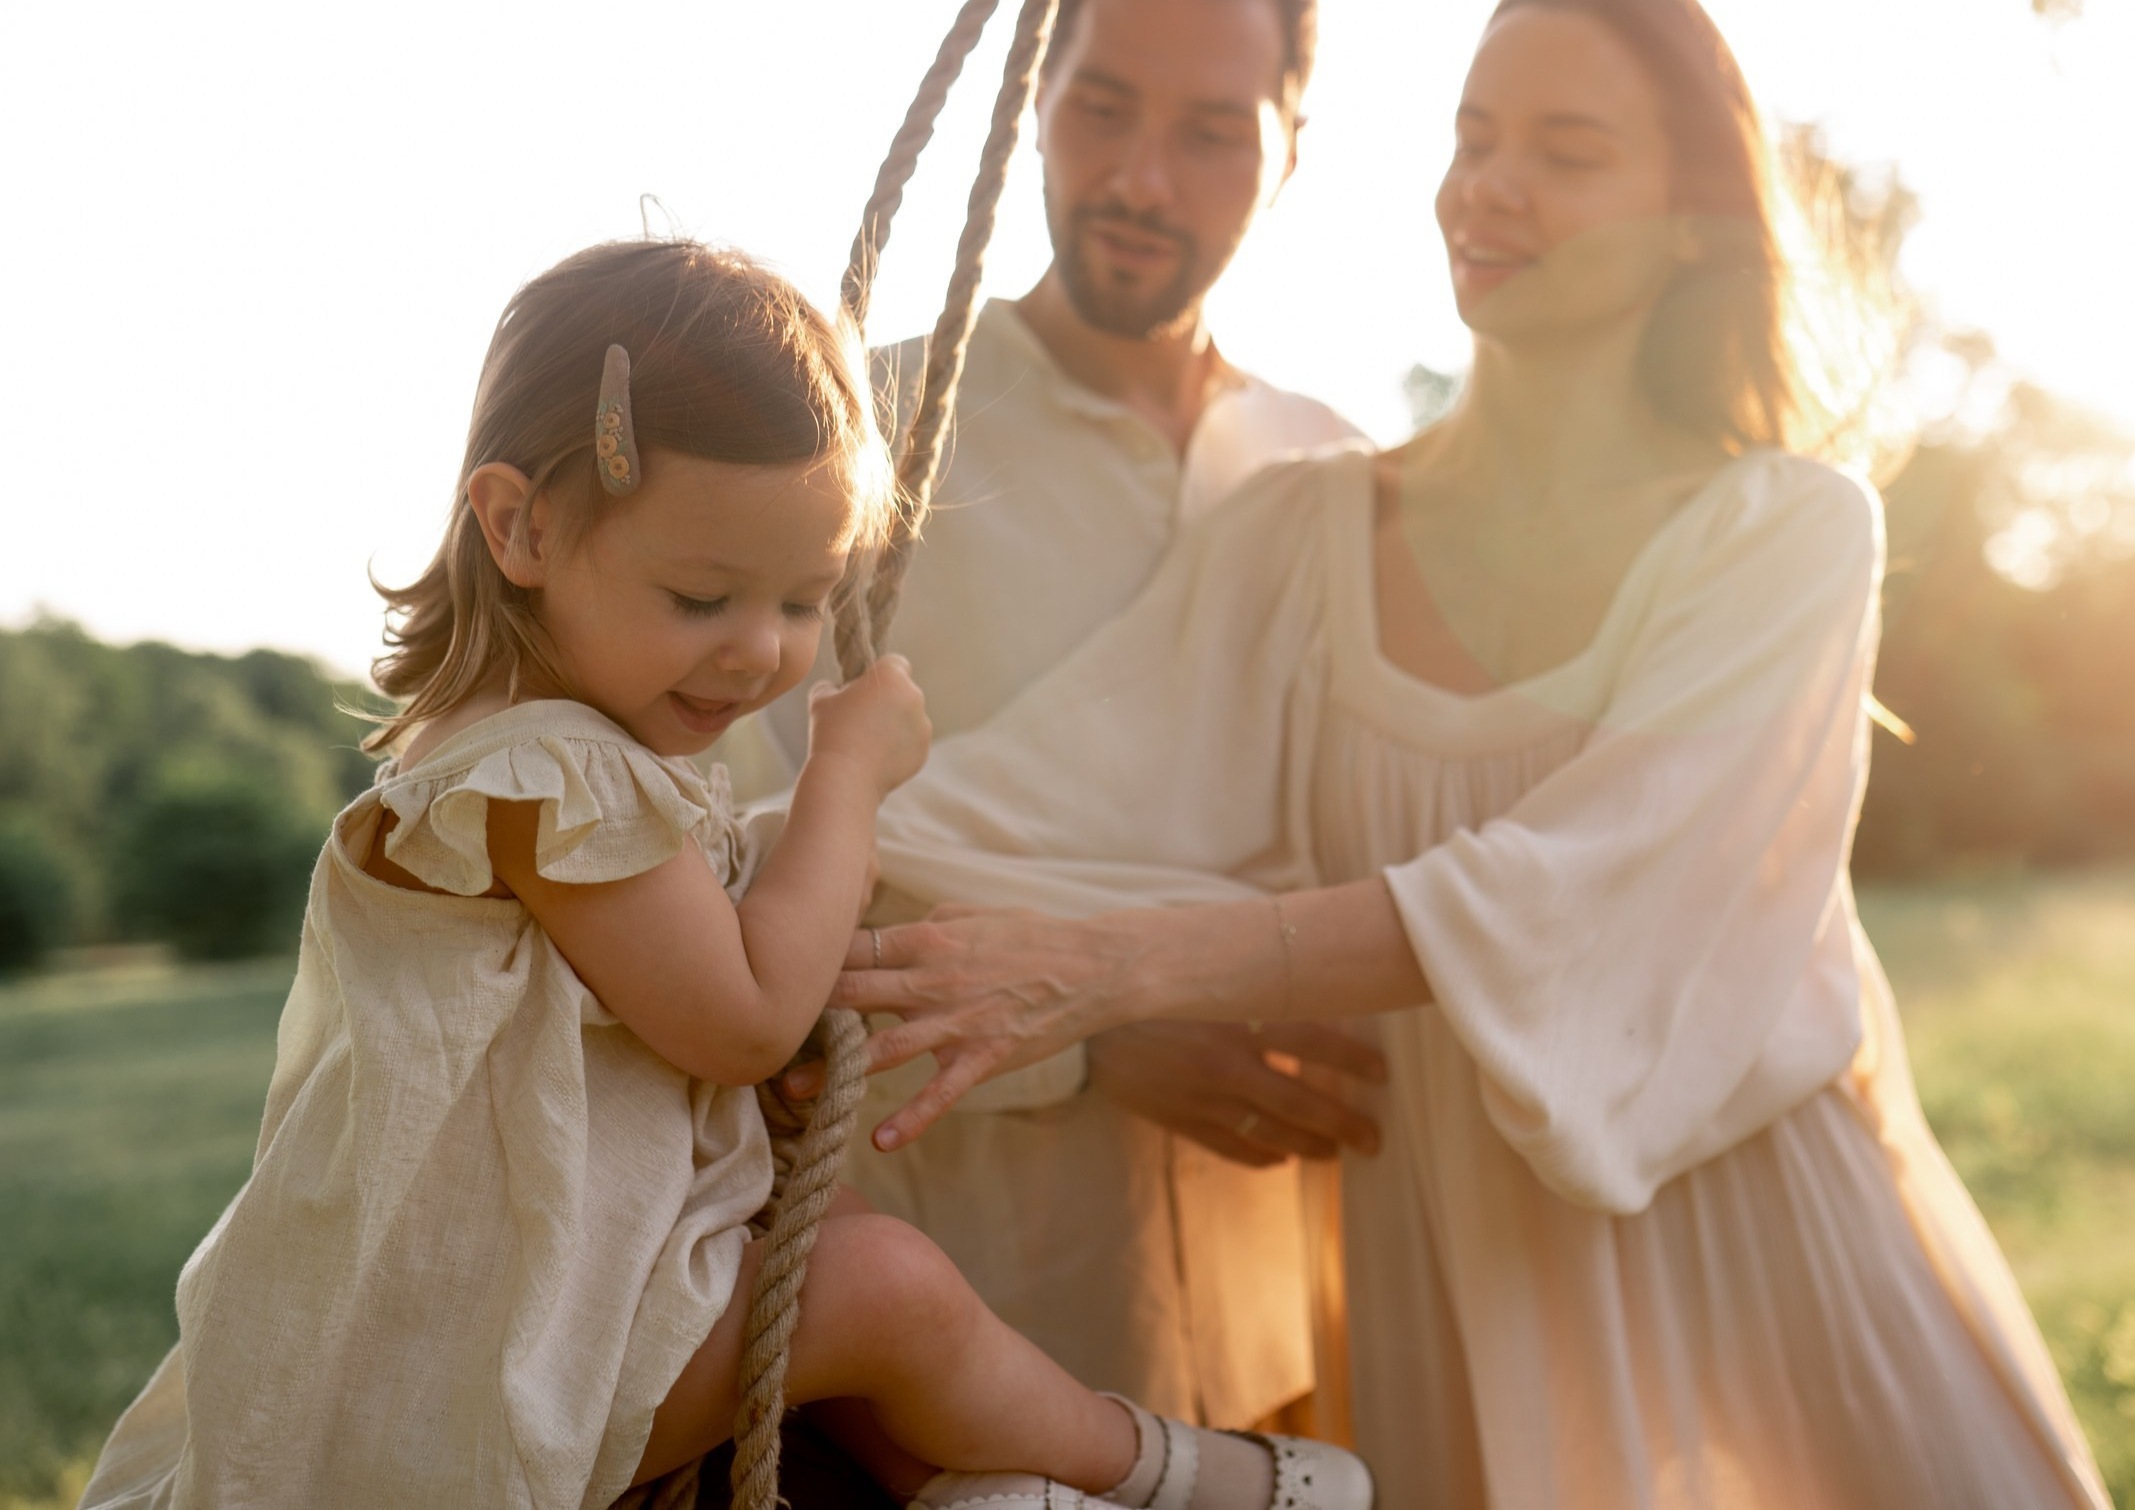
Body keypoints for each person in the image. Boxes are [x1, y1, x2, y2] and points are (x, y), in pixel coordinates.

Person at [832, 0, 2117, 1508]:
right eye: (1472, 135)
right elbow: (995, 814)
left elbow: (1574, 891)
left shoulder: (1786, 535)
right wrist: (746, 878)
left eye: (1566, 154)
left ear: (1696, 222)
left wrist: (1111, 969)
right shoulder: (1297, 530)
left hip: (1761, 1243)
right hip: (1435, 1257)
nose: (1489, 188)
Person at [77, 240, 1370, 1510]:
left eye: (805, 602)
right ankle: (1167, 1474)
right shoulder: (540, 780)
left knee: (847, 1251)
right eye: (703, 598)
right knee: (887, 1296)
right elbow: (744, 1016)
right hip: (483, 1374)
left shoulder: (567, 758)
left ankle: (993, 1490)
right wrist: (843, 784)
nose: (761, 653)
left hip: (577, 1299)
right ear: (519, 525)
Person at [735, 0, 1377, 1434]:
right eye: (1102, 107)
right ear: (1035, 97)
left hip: (1297, 1302)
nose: (1142, 180)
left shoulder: (1339, 475)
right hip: (939, 1313)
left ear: (1293, 151)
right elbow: (711, 895)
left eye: (1216, 131)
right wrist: (1087, 1040)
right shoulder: (848, 449)